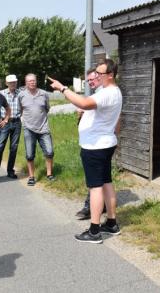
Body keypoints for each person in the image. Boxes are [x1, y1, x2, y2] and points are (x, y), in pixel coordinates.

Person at [48, 59, 123, 244]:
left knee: (95, 188)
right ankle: (111, 223)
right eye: (96, 73)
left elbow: (84, 102)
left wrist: (62, 88)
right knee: (106, 183)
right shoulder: (112, 92)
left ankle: (94, 230)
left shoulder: (107, 94)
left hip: (95, 147)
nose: (97, 76)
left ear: (110, 75)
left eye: (100, 73)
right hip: (104, 144)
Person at [75, 68, 107, 220]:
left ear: (100, 77)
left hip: (98, 145)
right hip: (92, 142)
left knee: (95, 180)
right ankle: (102, 205)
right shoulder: (95, 95)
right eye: (88, 81)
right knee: (100, 178)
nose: (90, 83)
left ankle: (90, 209)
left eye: (92, 79)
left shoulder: (104, 95)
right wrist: (81, 115)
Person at [18, 73, 55, 186]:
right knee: (30, 154)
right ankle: (31, 177)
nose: (32, 82)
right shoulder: (21, 95)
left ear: (36, 81)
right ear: (26, 83)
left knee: (49, 152)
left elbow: (47, 108)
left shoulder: (43, 94)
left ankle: (49, 174)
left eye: (33, 80)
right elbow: (21, 110)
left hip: (43, 128)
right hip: (29, 129)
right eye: (29, 81)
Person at [0, 74, 22, 180]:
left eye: (14, 82)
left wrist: (21, 117)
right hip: (4, 123)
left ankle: (10, 171)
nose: (13, 84)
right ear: (6, 83)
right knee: (0, 148)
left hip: (17, 122)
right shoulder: (1, 94)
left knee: (14, 148)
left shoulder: (20, 93)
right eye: (10, 82)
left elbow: (23, 106)